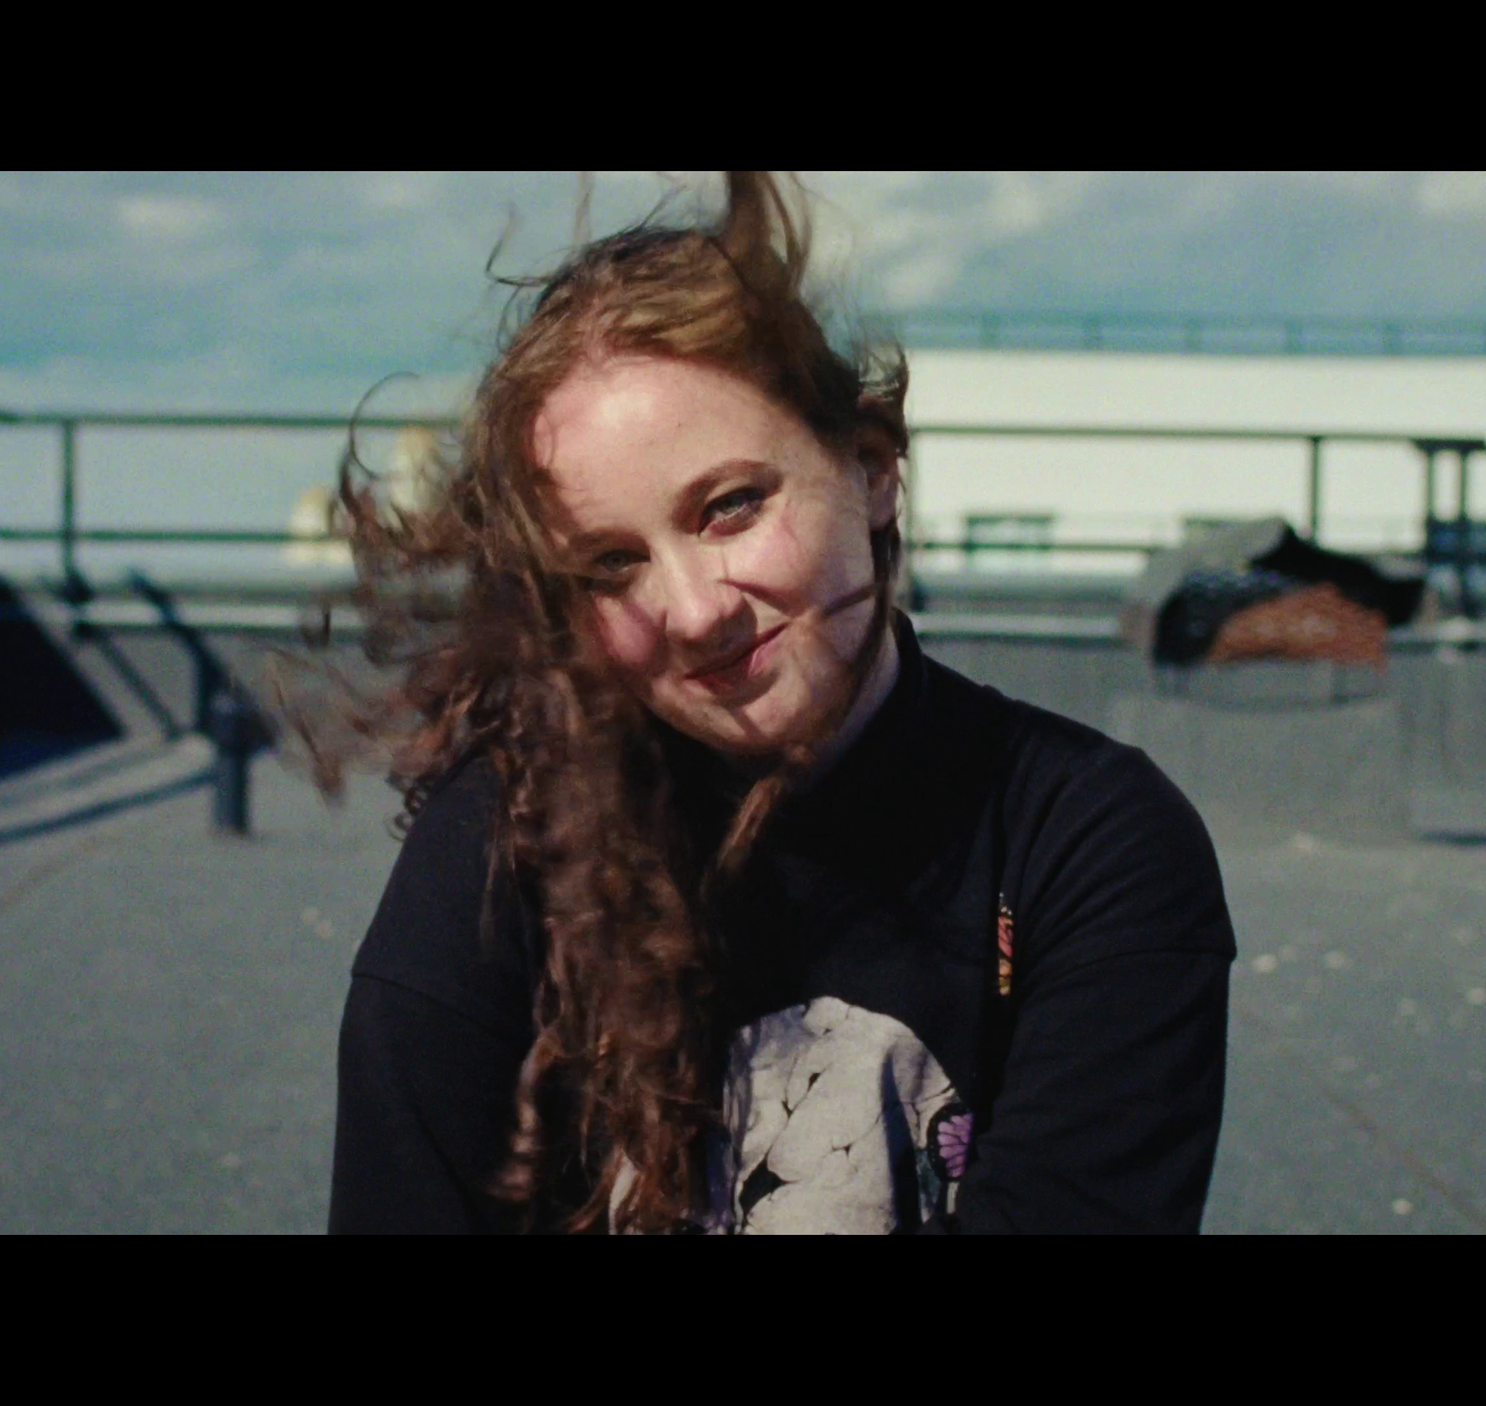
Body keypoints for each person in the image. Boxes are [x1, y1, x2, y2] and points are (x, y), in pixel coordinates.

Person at [318, 173, 1235, 1234]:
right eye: (611, 564)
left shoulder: (1084, 841)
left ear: (870, 468)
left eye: (731, 505)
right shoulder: (505, 846)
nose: (693, 610)